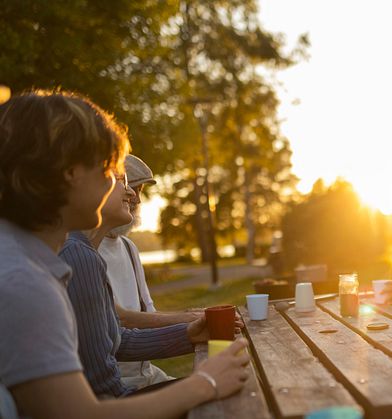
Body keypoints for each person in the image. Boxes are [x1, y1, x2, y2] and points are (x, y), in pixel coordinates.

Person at [0, 90, 249, 418]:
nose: (121, 188)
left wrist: (187, 333)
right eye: (107, 169)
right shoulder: (25, 280)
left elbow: (114, 341)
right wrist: (205, 382)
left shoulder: (26, 259)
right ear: (69, 171)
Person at [99, 154, 201, 390]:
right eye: (130, 187)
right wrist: (190, 321)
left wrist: (198, 319)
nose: (135, 198)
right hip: (121, 386)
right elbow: (120, 319)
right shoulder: (85, 249)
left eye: (140, 190)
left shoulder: (128, 247)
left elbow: (149, 314)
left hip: (149, 374)